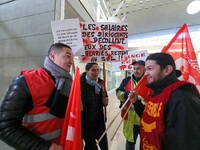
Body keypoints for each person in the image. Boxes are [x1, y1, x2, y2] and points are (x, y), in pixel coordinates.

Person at [0, 43, 74, 150]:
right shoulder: (25, 81)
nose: (71, 61)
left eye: (72, 57)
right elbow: (5, 126)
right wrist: (44, 147)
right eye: (67, 56)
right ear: (53, 56)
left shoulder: (68, 83)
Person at [129, 53, 200, 150]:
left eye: (150, 69)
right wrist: (136, 102)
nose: (145, 74)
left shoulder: (182, 98)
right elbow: (151, 119)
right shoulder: (156, 92)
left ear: (167, 70)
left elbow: (185, 143)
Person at [116, 60, 146, 150]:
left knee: (145, 142)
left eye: (139, 68)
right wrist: (125, 95)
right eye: (134, 68)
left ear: (144, 69)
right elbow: (118, 93)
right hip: (129, 119)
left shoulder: (148, 81)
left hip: (144, 119)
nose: (136, 71)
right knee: (130, 143)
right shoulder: (127, 80)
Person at [81, 63, 108, 150]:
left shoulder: (101, 83)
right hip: (86, 121)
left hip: (99, 120)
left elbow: (105, 99)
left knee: (104, 144)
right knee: (91, 145)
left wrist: (105, 102)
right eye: (93, 70)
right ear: (87, 71)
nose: (96, 72)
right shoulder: (80, 84)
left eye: (98, 70)